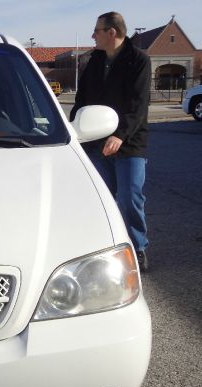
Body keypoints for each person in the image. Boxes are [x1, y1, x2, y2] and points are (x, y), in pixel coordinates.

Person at [71, 11, 151, 272]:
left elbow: (138, 105)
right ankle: (103, 248)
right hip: (95, 142)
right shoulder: (94, 61)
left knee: (129, 198)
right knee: (100, 200)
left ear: (112, 32)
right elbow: (82, 99)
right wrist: (73, 129)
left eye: (97, 30)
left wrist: (120, 135)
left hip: (128, 143)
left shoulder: (138, 60)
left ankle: (137, 248)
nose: (93, 35)